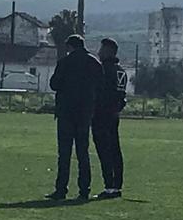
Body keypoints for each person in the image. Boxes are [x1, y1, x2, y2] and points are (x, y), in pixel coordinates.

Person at [46, 34, 103, 202]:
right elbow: (101, 86)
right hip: (85, 112)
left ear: (70, 46)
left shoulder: (65, 62)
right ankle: (84, 189)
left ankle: (61, 189)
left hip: (66, 112)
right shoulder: (94, 63)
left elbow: (54, 84)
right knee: (82, 152)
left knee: (64, 153)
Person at [93, 38, 128, 200]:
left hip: (102, 114)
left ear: (108, 51)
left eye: (101, 49)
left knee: (104, 150)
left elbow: (99, 92)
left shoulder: (104, 70)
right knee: (115, 149)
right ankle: (117, 185)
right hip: (114, 114)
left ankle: (109, 186)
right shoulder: (121, 71)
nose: (99, 52)